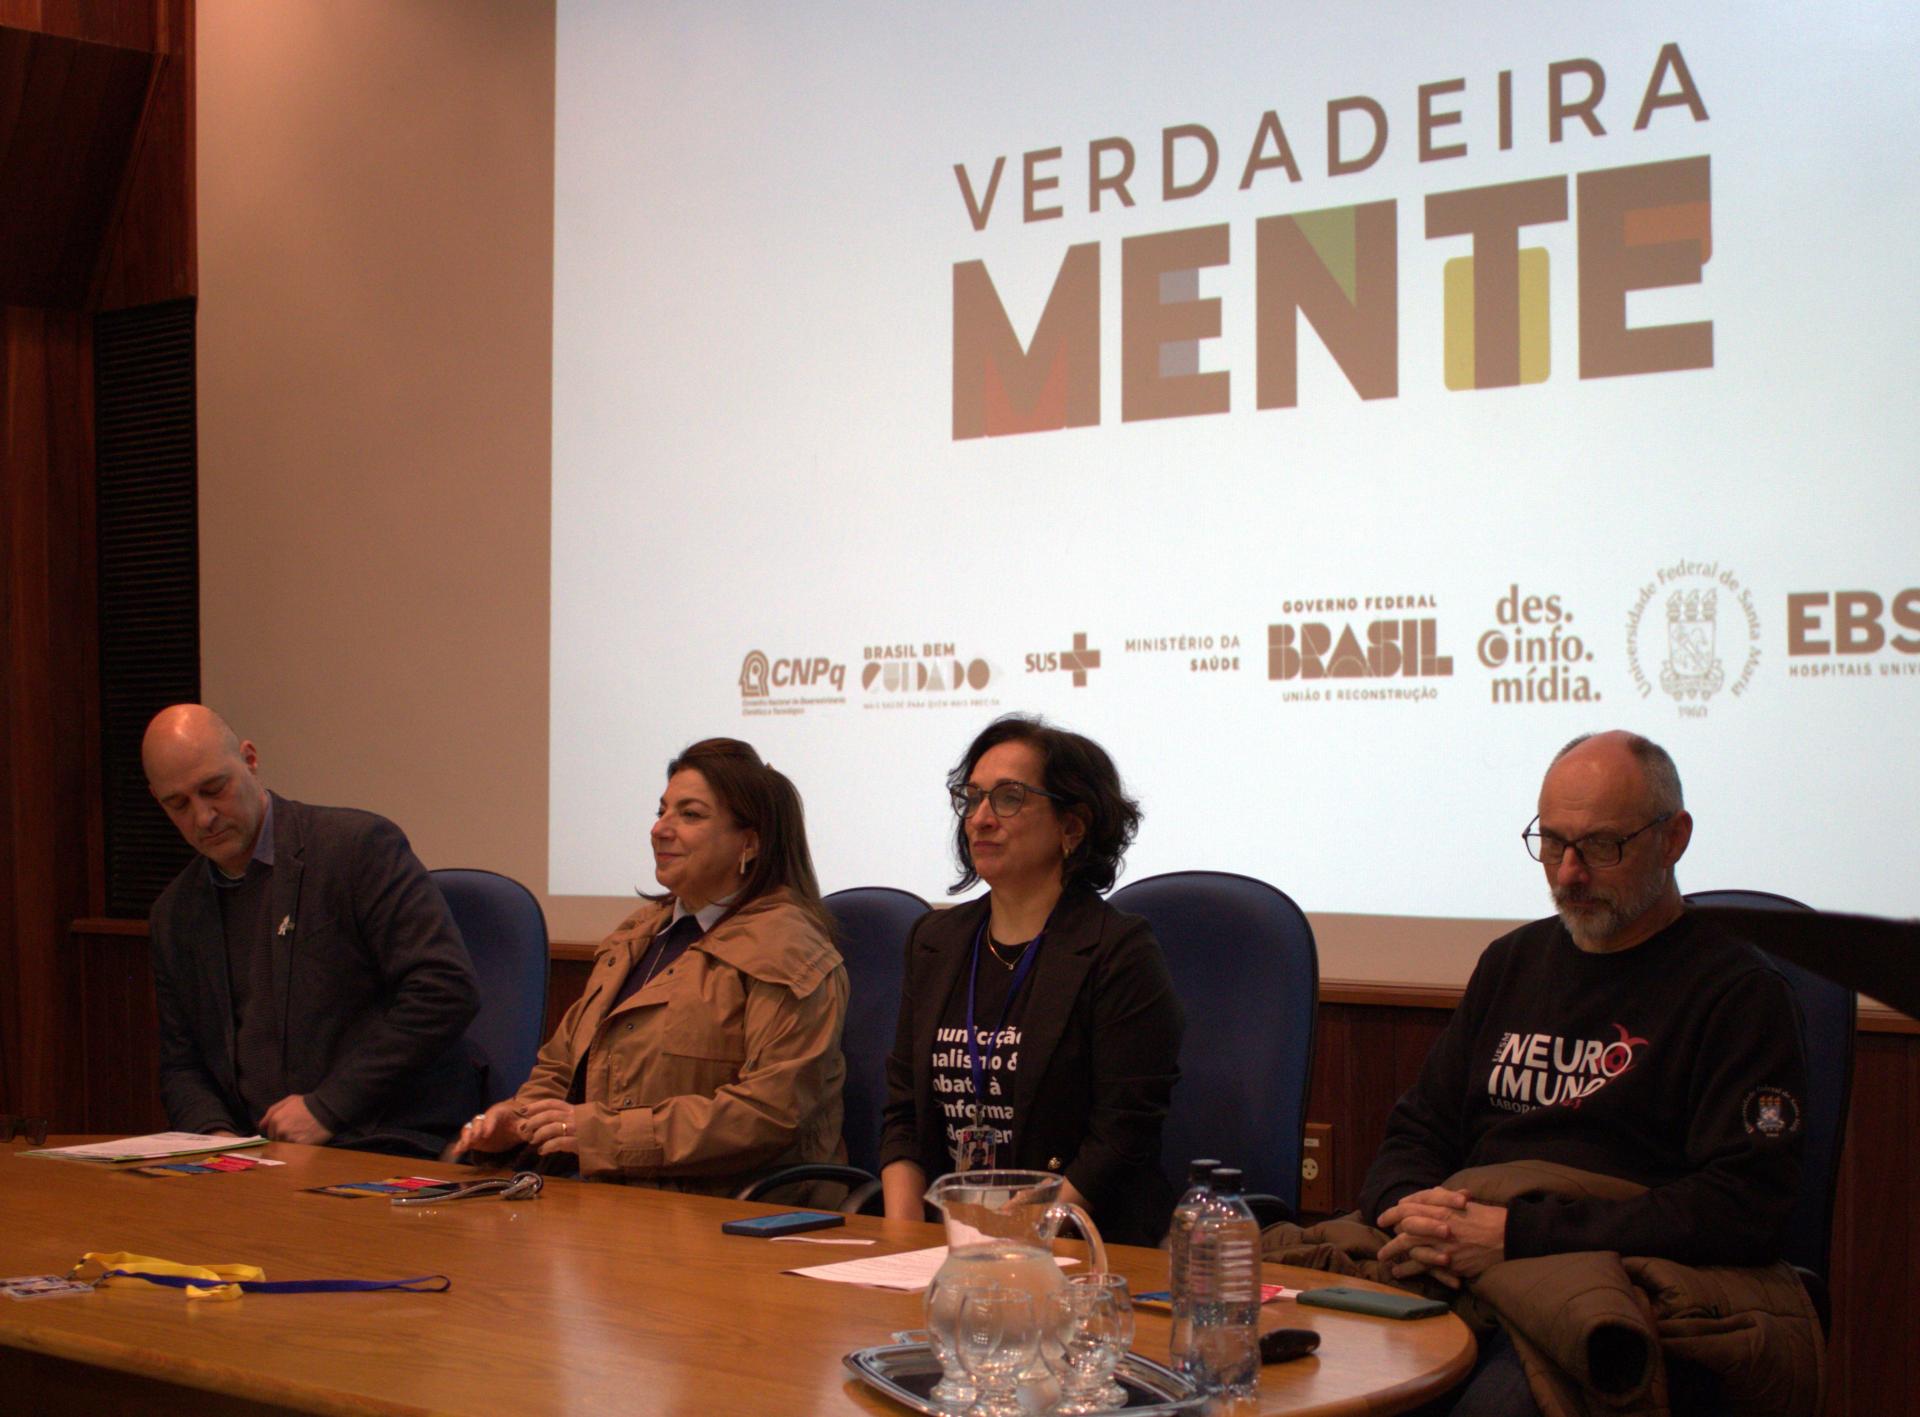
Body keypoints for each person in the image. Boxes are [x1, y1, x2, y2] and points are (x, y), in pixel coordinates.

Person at [1360, 730, 1809, 1413]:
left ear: (1674, 838)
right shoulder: (1511, 961)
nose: (1568, 874)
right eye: (1552, 843)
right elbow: (1419, 1127)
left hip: (1611, 1288)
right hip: (1454, 1264)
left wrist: (1515, 1237)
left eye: (1601, 846)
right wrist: (1416, 1214)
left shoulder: (1739, 993)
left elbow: (1742, 1206)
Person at [461, 739, 848, 1194]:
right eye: (661, 811)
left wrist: (601, 1134)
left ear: (750, 841)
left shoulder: (791, 950)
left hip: (730, 1207)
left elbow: (768, 1113)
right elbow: (562, 1065)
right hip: (608, 1194)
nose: (660, 829)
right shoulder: (637, 934)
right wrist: (520, 1119)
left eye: (690, 815)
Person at [878, 715, 1183, 1246]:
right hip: (948, 1246)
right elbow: (905, 1116)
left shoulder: (1117, 951)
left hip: (1078, 1245)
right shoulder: (934, 942)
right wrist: (901, 1239)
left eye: (1009, 798)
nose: (980, 819)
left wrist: (1020, 1235)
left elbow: (1121, 1135)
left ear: (1072, 827)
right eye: (972, 798)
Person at [143, 704, 481, 1157]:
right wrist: (214, 1138)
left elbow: (445, 990)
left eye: (214, 788)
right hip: (254, 1156)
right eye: (179, 804)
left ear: (249, 760)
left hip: (381, 1135)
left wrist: (329, 1107)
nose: (203, 817)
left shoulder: (357, 849)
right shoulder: (175, 913)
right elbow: (183, 1065)